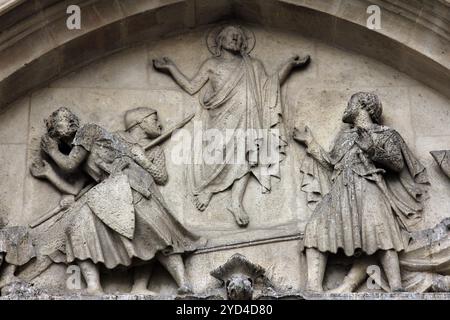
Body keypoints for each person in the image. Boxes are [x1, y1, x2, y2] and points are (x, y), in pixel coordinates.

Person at [154, 25, 310, 227]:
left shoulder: (253, 65)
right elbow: (191, 87)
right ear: (220, 41)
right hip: (221, 119)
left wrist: (289, 65)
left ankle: (235, 202)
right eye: (231, 36)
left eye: (239, 37)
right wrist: (171, 69)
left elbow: (269, 86)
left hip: (249, 119)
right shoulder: (212, 64)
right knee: (216, 155)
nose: (236, 39)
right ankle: (210, 187)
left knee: (246, 156)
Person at [38, 107, 205, 295]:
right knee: (78, 227)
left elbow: (69, 164)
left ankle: (184, 284)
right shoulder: (79, 146)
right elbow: (78, 188)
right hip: (110, 191)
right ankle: (95, 287)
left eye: (67, 117)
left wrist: (52, 152)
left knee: (155, 231)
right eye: (61, 119)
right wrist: (49, 174)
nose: (67, 121)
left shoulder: (88, 131)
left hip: (129, 182)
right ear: (55, 131)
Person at [293, 92, 429, 292]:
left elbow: (397, 164)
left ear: (364, 105)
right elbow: (332, 163)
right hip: (341, 191)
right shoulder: (344, 137)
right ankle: (313, 288)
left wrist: (372, 148)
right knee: (316, 228)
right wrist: (310, 143)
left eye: (351, 102)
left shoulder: (386, 134)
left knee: (380, 232)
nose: (347, 107)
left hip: (369, 188)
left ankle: (397, 288)